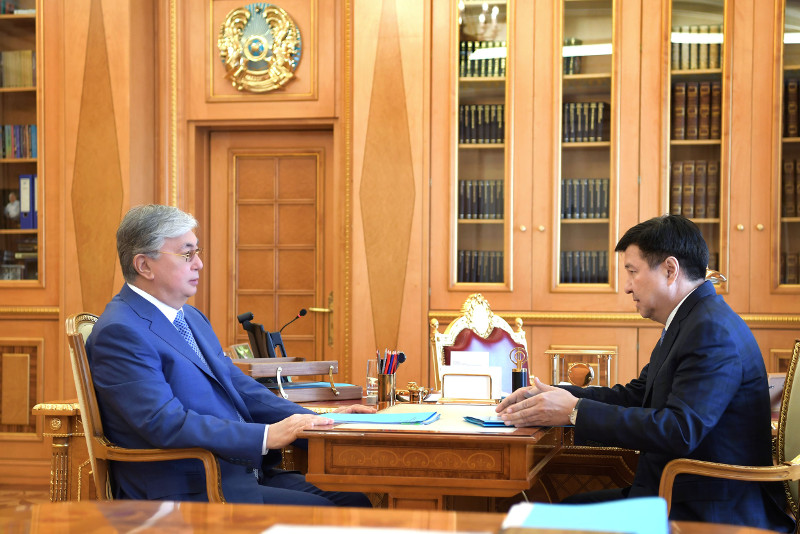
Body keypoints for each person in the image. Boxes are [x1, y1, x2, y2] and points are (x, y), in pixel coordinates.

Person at [496, 214, 795, 532]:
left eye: (632, 272)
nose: (627, 286)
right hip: (677, 493)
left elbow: (680, 430)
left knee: (550, 523)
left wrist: (575, 411)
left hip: (708, 510)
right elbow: (638, 395)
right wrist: (557, 395)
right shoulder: (692, 319)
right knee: (564, 510)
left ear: (670, 270)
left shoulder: (710, 330)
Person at [86, 204, 374, 506]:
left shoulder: (190, 317)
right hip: (188, 488)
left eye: (197, 252)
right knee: (326, 514)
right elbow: (164, 422)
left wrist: (319, 424)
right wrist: (265, 436)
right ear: (144, 265)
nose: (199, 264)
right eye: (186, 255)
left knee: (356, 501)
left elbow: (240, 388)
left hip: (238, 474)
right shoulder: (121, 331)